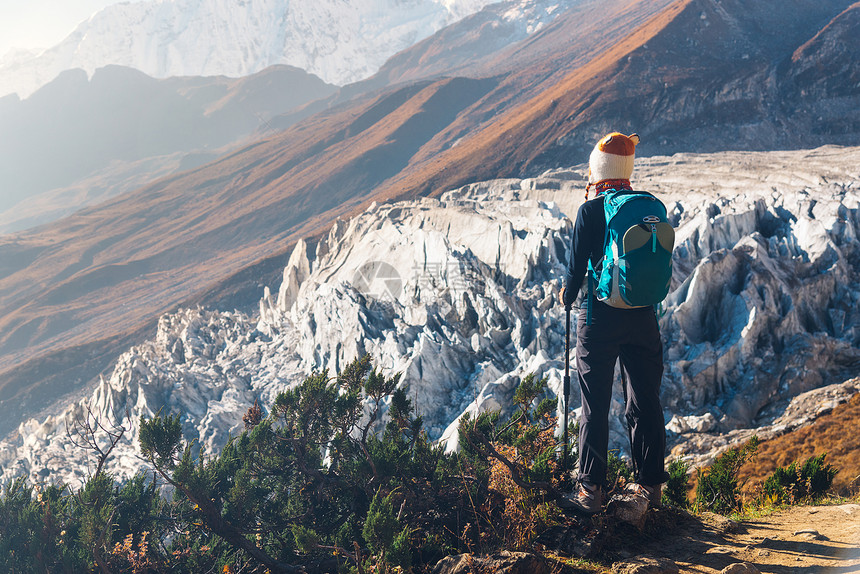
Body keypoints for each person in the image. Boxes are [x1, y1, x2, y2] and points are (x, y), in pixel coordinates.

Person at [559, 132, 670, 514]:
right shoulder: (649, 205)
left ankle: (591, 491)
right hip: (643, 317)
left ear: (597, 167)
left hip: (600, 317)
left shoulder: (590, 210)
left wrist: (566, 295)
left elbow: (575, 271)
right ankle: (651, 488)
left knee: (596, 403)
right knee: (645, 400)